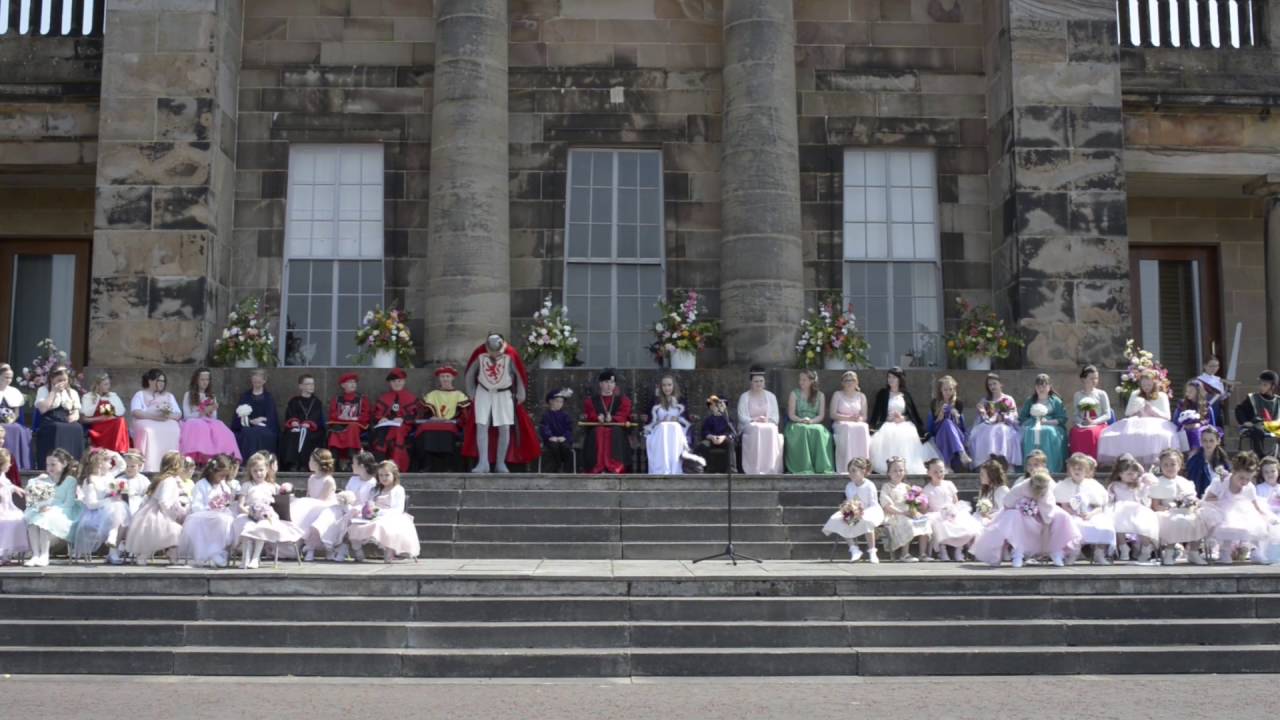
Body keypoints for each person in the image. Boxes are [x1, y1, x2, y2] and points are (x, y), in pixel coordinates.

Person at [462, 334, 540, 473]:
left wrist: (521, 393)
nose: (493, 355)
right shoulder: (480, 352)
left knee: (504, 428)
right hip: (483, 392)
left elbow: (519, 374)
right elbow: (470, 372)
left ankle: (500, 463)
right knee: (481, 425)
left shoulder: (511, 353)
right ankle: (483, 462)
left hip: (504, 393)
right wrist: (471, 391)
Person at [972, 471, 1080, 568]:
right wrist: (1022, 507)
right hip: (1020, 515)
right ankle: (1018, 552)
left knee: (1061, 516)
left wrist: (1045, 548)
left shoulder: (1047, 495)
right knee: (1012, 516)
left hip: (1041, 517)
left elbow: (1047, 519)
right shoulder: (1020, 488)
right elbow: (1007, 504)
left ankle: (1054, 550)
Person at [1099, 369, 1186, 467]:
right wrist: (1137, 411)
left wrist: (1152, 410)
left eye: (1149, 385)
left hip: (1156, 424)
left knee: (1154, 435)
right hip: (1137, 423)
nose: (1146, 388)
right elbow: (1128, 413)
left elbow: (1167, 417)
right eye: (1144, 385)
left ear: (1154, 383)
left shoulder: (1161, 395)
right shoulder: (1135, 394)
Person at [236, 451, 305, 570]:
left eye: (261, 470)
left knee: (262, 526)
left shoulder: (271, 486)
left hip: (266, 514)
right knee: (247, 526)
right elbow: (240, 505)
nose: (258, 473)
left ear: (267, 469)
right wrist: (250, 513)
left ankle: (255, 557)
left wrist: (286, 489)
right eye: (255, 471)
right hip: (249, 512)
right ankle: (245, 558)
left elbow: (283, 496)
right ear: (250, 472)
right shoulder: (247, 485)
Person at [1204, 452, 1272, 564]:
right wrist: (1221, 501)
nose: (1244, 482)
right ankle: (1225, 552)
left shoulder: (1249, 487)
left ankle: (1255, 551)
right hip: (1223, 510)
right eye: (1241, 478)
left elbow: (1255, 504)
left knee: (1256, 523)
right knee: (1227, 524)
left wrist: (1262, 514)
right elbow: (1207, 499)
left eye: (1248, 479)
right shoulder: (1222, 482)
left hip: (1243, 511)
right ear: (1234, 472)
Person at [346, 461, 420, 561]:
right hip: (375, 515)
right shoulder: (375, 490)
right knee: (354, 526)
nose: (384, 478)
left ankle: (389, 552)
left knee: (382, 526)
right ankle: (358, 552)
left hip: (392, 516)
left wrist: (379, 512)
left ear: (394, 475)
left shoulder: (398, 489)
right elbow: (369, 503)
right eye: (381, 475)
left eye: (387, 475)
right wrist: (369, 510)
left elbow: (398, 509)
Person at [122, 451, 187, 565]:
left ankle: (171, 555)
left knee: (169, 534)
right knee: (174, 531)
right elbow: (163, 501)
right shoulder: (169, 481)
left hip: (152, 511)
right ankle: (145, 556)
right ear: (177, 466)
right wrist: (171, 515)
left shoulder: (163, 479)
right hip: (158, 513)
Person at [1148, 448, 1209, 566]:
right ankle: (1169, 552)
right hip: (1166, 511)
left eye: (1172, 464)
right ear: (1160, 466)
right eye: (1165, 465)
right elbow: (1155, 505)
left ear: (1179, 465)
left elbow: (1193, 500)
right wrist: (1169, 509)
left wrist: (1191, 505)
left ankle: (1194, 552)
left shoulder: (1185, 482)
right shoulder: (1158, 483)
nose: (1169, 467)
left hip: (1185, 511)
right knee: (1174, 521)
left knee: (1198, 519)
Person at [70, 449, 131, 563]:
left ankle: (113, 549)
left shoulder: (109, 475)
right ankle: (113, 552)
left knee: (119, 511)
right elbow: (91, 504)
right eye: (108, 462)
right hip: (95, 514)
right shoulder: (90, 481)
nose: (111, 464)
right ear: (99, 463)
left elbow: (122, 465)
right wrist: (110, 500)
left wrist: (114, 454)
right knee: (118, 509)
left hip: (112, 512)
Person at [23, 448, 81, 567]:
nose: (50, 467)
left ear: (64, 464)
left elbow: (69, 504)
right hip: (43, 510)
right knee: (33, 519)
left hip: (64, 512)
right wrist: (39, 503)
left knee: (44, 519)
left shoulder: (70, 481)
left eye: (53, 464)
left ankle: (44, 555)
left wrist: (51, 509)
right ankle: (35, 555)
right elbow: (34, 498)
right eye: (48, 464)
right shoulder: (43, 479)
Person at [868, 367, 933, 475]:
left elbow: (912, 413)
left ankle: (904, 467)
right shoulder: (883, 394)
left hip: (903, 423)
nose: (891, 380)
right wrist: (887, 418)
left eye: (894, 377)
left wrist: (903, 418)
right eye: (889, 377)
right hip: (887, 424)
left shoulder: (905, 395)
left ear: (900, 379)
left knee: (907, 434)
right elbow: (877, 412)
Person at [178, 455, 238, 568]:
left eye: (224, 476)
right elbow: (196, 506)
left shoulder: (223, 485)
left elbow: (227, 499)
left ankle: (218, 552)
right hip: (202, 517)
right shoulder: (201, 484)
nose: (222, 478)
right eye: (221, 475)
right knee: (222, 520)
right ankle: (209, 553)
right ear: (212, 472)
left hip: (220, 515)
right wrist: (211, 507)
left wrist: (225, 503)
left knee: (228, 520)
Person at [1054, 453, 1114, 564]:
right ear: (1069, 470)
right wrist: (1075, 513)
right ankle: (1074, 552)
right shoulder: (1064, 485)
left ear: (1086, 471)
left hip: (1091, 513)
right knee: (1073, 525)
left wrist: (1090, 514)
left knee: (1104, 524)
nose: (1077, 471)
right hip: (1072, 513)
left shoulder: (1093, 484)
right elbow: (1064, 506)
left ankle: (1099, 553)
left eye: (1080, 468)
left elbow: (1101, 506)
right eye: (1074, 468)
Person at [821, 457, 884, 563]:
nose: (851, 474)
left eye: (854, 471)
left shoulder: (869, 485)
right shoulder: (849, 486)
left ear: (863, 471)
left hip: (872, 510)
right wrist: (850, 510)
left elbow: (873, 504)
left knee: (867, 520)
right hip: (856, 511)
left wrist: (861, 512)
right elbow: (850, 502)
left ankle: (872, 551)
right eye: (850, 471)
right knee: (840, 519)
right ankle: (854, 549)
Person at [323, 451, 380, 561]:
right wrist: (343, 498)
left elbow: (371, 503)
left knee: (347, 517)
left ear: (362, 466)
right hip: (347, 508)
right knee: (330, 513)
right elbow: (347, 493)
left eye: (354, 463)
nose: (352, 465)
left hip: (362, 511)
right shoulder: (353, 479)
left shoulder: (373, 483)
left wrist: (355, 507)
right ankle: (333, 547)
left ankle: (346, 547)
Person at [921, 458, 981, 561]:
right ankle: (942, 550)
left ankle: (959, 550)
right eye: (935, 472)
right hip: (937, 514)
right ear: (929, 473)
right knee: (942, 525)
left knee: (963, 524)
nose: (939, 474)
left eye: (941, 471)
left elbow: (955, 501)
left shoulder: (949, 484)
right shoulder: (927, 489)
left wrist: (953, 511)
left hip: (952, 512)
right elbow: (925, 508)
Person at [413, 366, 469, 473]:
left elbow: (465, 414)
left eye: (448, 376)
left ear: (453, 378)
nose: (445, 379)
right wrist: (430, 417)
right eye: (442, 377)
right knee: (427, 430)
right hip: (433, 422)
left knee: (448, 430)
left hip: (451, 423)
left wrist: (457, 420)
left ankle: (449, 465)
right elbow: (422, 412)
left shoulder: (459, 395)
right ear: (439, 379)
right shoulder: (432, 394)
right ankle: (427, 464)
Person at [179, 368, 241, 464]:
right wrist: (203, 412)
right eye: (202, 379)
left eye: (207, 379)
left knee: (222, 428)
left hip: (209, 422)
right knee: (199, 425)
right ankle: (198, 457)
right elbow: (187, 416)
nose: (205, 382)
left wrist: (211, 410)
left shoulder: (211, 396)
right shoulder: (188, 395)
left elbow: (214, 418)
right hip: (193, 422)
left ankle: (223, 457)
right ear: (196, 380)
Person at [1107, 454, 1160, 563]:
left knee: (1142, 525)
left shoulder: (1138, 485)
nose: (1132, 476)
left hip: (1136, 510)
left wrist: (1145, 486)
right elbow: (1109, 499)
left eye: (1134, 473)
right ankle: (1123, 547)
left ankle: (1146, 548)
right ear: (1120, 474)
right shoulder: (1115, 485)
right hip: (1119, 509)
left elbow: (1143, 497)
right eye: (1129, 474)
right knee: (1116, 523)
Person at [582, 368, 635, 475]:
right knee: (599, 430)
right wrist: (597, 418)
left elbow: (624, 414)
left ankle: (615, 466)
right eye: (606, 382)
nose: (609, 385)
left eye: (612, 382)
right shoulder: (590, 401)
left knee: (615, 430)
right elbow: (590, 414)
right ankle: (598, 466)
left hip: (616, 428)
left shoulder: (624, 400)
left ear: (615, 385)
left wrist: (614, 418)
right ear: (600, 384)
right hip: (598, 427)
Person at [290, 448, 339, 561]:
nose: (309, 462)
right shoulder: (311, 478)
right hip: (313, 505)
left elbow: (322, 499)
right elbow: (309, 495)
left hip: (325, 507)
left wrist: (308, 504)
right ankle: (308, 547)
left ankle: (321, 548)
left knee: (314, 515)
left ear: (318, 463)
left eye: (311, 460)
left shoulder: (328, 480)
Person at [130, 369, 182, 473]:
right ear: (150, 381)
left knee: (175, 428)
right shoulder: (140, 394)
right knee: (147, 430)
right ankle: (148, 465)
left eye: (163, 381)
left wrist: (167, 415)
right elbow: (136, 411)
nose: (162, 383)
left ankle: (170, 464)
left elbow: (178, 414)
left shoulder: (169, 396)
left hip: (166, 420)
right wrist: (154, 416)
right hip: (146, 420)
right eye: (159, 381)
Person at [879, 456, 930, 561]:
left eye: (901, 470)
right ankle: (904, 554)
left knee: (924, 520)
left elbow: (912, 502)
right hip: (895, 514)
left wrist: (916, 506)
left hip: (908, 512)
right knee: (908, 522)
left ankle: (922, 553)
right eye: (895, 471)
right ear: (889, 473)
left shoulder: (907, 487)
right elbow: (887, 505)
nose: (898, 473)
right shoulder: (887, 487)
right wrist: (903, 513)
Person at [784, 370, 834, 475]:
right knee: (803, 429)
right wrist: (801, 420)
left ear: (811, 381)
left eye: (804, 380)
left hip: (814, 422)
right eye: (800, 379)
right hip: (797, 422)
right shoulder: (794, 394)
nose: (800, 382)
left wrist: (811, 421)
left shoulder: (820, 395)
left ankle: (821, 466)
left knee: (819, 431)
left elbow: (821, 415)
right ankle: (803, 466)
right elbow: (791, 415)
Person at [34, 366, 84, 470]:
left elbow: (77, 411)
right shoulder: (43, 390)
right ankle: (54, 464)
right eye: (59, 380)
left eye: (65, 380)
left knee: (77, 428)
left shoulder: (72, 392)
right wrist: (53, 392)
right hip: (50, 419)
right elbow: (43, 409)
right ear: (52, 379)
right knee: (57, 427)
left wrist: (74, 417)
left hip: (66, 418)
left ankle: (73, 464)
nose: (63, 383)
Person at [968, 373, 1022, 469]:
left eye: (994, 383)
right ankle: (987, 462)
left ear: (1000, 384)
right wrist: (982, 412)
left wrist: (1005, 417)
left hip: (1005, 425)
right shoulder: (985, 401)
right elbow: (982, 419)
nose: (992, 386)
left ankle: (1006, 463)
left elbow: (1014, 415)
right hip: (988, 425)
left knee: (1001, 429)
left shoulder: (1008, 399)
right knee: (984, 431)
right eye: (990, 385)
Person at [643, 375, 693, 475]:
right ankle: (662, 468)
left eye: (669, 385)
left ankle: (674, 467)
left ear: (674, 386)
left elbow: (686, 421)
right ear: (661, 387)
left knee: (674, 426)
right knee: (663, 427)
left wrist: (677, 419)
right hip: (659, 432)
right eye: (664, 385)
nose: (667, 388)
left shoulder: (681, 401)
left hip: (677, 432)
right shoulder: (655, 401)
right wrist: (660, 421)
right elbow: (650, 422)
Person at [737, 367, 783, 475]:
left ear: (764, 382)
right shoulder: (744, 397)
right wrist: (754, 419)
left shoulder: (771, 396)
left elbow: (776, 417)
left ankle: (770, 467)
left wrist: (767, 420)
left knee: (772, 429)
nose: (759, 383)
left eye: (761, 381)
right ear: (751, 382)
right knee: (757, 428)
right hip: (750, 425)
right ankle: (755, 467)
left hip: (767, 424)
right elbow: (741, 416)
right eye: (756, 381)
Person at [369, 368, 417, 473]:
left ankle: (396, 465)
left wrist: (403, 418)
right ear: (390, 383)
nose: (397, 383)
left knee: (396, 431)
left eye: (399, 381)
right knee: (382, 431)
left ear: (404, 381)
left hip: (403, 426)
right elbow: (376, 414)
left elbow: (414, 416)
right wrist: (381, 418)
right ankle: (379, 462)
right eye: (394, 381)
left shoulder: (411, 398)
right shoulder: (383, 397)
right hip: (385, 426)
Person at [1019, 374, 1068, 473]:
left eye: (1044, 385)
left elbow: (1063, 418)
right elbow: (1023, 417)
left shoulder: (1056, 401)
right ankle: (1030, 467)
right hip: (1033, 423)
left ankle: (1051, 467)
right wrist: (1033, 420)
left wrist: (1048, 422)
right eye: (1038, 386)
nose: (1041, 388)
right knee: (1030, 432)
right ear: (1035, 387)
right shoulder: (1030, 401)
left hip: (1052, 425)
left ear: (1049, 387)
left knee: (1048, 431)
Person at [280, 374, 326, 472]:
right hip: (297, 428)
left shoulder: (317, 402)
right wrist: (294, 422)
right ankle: (293, 463)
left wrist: (309, 424)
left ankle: (305, 464)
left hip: (312, 430)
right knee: (293, 434)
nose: (311, 386)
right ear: (301, 386)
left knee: (307, 434)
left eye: (312, 384)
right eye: (308, 384)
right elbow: (290, 415)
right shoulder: (294, 401)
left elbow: (317, 418)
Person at [829, 371, 870, 474]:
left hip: (856, 423)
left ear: (856, 382)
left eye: (852, 380)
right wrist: (848, 419)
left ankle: (863, 466)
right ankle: (847, 466)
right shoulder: (837, 395)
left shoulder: (861, 396)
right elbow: (832, 414)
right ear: (842, 383)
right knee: (848, 427)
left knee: (863, 427)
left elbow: (864, 416)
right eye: (846, 380)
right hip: (841, 423)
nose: (849, 382)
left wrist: (858, 419)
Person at [232, 370, 279, 460]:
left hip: (264, 427)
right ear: (251, 381)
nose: (256, 383)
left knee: (258, 432)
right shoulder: (245, 396)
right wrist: (250, 421)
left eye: (259, 381)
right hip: (247, 425)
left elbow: (272, 417)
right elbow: (237, 417)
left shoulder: (268, 397)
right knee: (247, 432)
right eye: (254, 381)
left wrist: (261, 419)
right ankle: (247, 461)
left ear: (264, 381)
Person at [926, 375, 970, 471]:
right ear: (940, 390)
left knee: (948, 423)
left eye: (950, 389)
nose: (948, 392)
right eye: (945, 390)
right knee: (945, 423)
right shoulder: (935, 403)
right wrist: (939, 417)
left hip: (956, 434)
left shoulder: (958, 403)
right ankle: (961, 452)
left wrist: (955, 415)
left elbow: (961, 427)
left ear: (954, 390)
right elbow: (932, 429)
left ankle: (947, 465)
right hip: (939, 434)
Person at [1068, 365, 1112, 460]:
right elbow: (1075, 414)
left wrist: (1094, 422)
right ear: (1083, 379)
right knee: (1075, 432)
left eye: (1096, 378)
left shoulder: (1101, 394)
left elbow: (1107, 414)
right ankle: (1078, 461)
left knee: (1091, 432)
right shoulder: (1078, 395)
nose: (1094, 381)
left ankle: (1093, 461)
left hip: (1098, 424)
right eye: (1091, 378)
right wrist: (1081, 422)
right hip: (1083, 424)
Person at [326, 373, 370, 466]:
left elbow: (366, 414)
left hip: (356, 425)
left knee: (352, 427)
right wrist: (341, 417)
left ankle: (352, 458)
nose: (353, 384)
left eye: (354, 382)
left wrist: (355, 418)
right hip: (340, 424)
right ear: (343, 385)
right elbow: (333, 414)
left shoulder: (362, 399)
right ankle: (334, 459)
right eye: (350, 382)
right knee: (334, 431)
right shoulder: (337, 399)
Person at [79, 373, 129, 454]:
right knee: (119, 421)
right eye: (105, 384)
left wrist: (109, 415)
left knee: (121, 420)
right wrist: (101, 417)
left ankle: (119, 449)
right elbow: (83, 418)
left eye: (109, 384)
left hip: (111, 424)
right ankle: (118, 449)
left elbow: (118, 413)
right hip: (98, 426)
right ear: (98, 385)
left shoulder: (113, 396)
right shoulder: (88, 397)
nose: (108, 386)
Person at [1234, 370, 1280, 458]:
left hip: (1274, 426)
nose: (1261, 387)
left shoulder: (1278, 400)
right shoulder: (1252, 398)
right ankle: (1261, 456)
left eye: (1265, 385)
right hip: (1257, 425)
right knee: (1257, 431)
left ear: (1273, 386)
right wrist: (1244, 421)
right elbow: (1239, 410)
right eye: (1260, 384)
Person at [0, 364, 33, 471]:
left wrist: (10, 420)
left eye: (10, 377)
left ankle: (16, 464)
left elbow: (17, 412)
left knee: (17, 429)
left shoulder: (14, 391)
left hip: (10, 421)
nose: (9, 380)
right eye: (6, 377)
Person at [1175, 379, 1221, 454]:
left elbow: (1211, 425)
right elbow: (1176, 421)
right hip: (1184, 433)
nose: (1188, 393)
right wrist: (1185, 425)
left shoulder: (1206, 406)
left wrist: (1199, 425)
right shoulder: (1182, 405)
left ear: (1198, 392)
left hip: (1201, 433)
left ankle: (1196, 454)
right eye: (1187, 391)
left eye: (1191, 391)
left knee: (1197, 432)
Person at [1186, 425, 1231, 498]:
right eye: (1205, 440)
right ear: (1201, 441)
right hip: (1202, 498)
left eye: (1211, 441)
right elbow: (1193, 483)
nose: (1208, 444)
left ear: (1218, 441)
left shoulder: (1222, 460)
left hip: (1220, 497)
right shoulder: (1194, 461)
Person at [0, 449, 28, 563]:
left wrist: (16, 488)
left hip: (7, 506)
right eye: (8, 463)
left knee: (19, 518)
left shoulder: (3, 475)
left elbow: (8, 485)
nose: (11, 465)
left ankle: (6, 552)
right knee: (6, 521)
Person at [539, 388, 575, 474]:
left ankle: (566, 468)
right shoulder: (546, 416)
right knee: (554, 446)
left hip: (563, 439)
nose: (559, 404)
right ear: (551, 401)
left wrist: (564, 436)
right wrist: (550, 436)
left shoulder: (565, 415)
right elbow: (544, 427)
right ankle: (557, 466)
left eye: (561, 402)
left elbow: (569, 428)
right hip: (551, 440)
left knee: (565, 447)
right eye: (557, 401)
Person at [698, 395, 737, 474]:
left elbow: (733, 432)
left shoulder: (728, 420)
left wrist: (723, 437)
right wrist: (711, 437)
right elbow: (704, 431)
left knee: (731, 443)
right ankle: (707, 468)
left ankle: (731, 468)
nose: (718, 408)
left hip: (724, 439)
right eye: (715, 405)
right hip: (711, 440)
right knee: (703, 445)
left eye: (721, 405)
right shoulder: (709, 420)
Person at [1196, 355, 1232, 433]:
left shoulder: (1219, 380)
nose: (1214, 368)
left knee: (1216, 431)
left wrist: (1229, 390)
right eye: (1211, 366)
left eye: (1216, 366)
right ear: (1205, 366)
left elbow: (1222, 397)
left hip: (1217, 409)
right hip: (1204, 409)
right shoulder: (1198, 380)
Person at [974, 458, 1010, 526]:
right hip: (980, 521)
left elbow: (1005, 512)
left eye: (982, 474)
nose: (980, 477)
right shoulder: (983, 490)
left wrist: (988, 516)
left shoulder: (1002, 490)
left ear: (991, 475)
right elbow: (978, 510)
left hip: (995, 524)